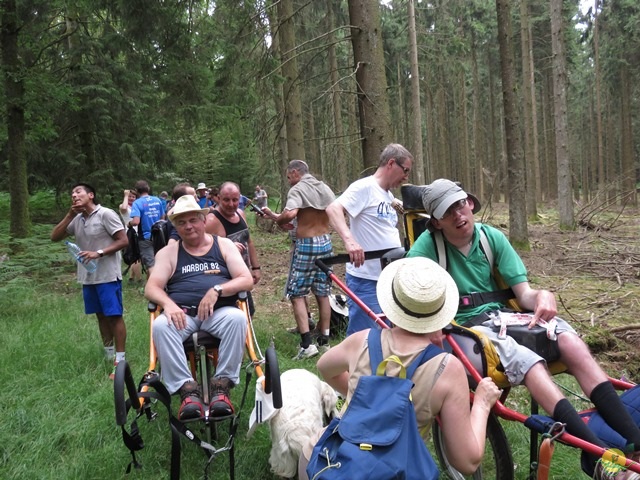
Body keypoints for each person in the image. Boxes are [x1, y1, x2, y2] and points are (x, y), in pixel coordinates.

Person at [407, 178, 640, 476]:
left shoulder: (492, 239)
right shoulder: (426, 249)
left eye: (461, 204)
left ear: (470, 203)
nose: (458, 215)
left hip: (506, 316)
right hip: (464, 327)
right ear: (436, 223)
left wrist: (542, 296)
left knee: (569, 341)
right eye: (447, 211)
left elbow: (525, 295)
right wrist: (429, 321)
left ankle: (635, 442)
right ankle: (601, 462)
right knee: (529, 363)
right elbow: (410, 290)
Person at [298, 257, 502, 478]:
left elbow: (324, 367)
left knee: (314, 446)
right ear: (441, 312)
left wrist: (367, 400)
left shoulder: (361, 340)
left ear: (393, 303)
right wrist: (482, 403)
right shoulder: (447, 368)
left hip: (326, 463)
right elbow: (466, 461)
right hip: (393, 471)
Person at [145, 195, 253, 420]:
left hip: (219, 312)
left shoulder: (223, 245)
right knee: (162, 326)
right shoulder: (169, 252)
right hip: (183, 313)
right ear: (176, 227)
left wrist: (217, 290)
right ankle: (187, 391)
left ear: (204, 221)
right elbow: (152, 287)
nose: (188, 226)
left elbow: (245, 279)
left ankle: (221, 386)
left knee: (237, 318)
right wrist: (168, 303)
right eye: (181, 222)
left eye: (193, 220)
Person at [326, 143, 412, 335]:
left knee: (387, 335)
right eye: (405, 170)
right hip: (367, 280)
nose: (406, 177)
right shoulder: (364, 187)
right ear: (391, 163)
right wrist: (349, 241)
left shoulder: (388, 195)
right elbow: (333, 209)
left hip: (389, 279)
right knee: (362, 339)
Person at [51, 183, 129, 379]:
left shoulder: (106, 214)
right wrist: (69, 215)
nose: (74, 196)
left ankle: (120, 360)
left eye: (78, 192)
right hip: (88, 276)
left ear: (91, 195)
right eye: (72, 194)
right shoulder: (76, 219)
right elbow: (54, 237)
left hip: (108, 275)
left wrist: (99, 253)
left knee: (114, 315)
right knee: (100, 316)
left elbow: (123, 240)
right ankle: (108, 355)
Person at [263, 160, 335, 359]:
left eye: (288, 177)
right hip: (326, 241)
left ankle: (306, 345)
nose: (289, 181)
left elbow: (291, 213)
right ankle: (324, 341)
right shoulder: (324, 188)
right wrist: (277, 216)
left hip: (306, 244)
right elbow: (334, 211)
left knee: (297, 293)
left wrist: (280, 220)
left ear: (295, 173)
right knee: (323, 292)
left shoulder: (298, 189)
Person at [207, 182, 261, 314]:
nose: (231, 204)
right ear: (218, 198)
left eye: (235, 200)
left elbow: (249, 242)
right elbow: (202, 252)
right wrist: (226, 247)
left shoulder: (241, 214)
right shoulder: (212, 221)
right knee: (234, 314)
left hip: (242, 275)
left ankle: (244, 335)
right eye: (226, 200)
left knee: (248, 311)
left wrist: (255, 268)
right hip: (223, 279)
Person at [129, 180, 164, 275]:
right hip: (159, 236)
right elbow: (162, 219)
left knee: (151, 265)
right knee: (160, 262)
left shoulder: (137, 203)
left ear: (136, 191)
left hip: (145, 237)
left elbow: (136, 222)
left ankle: (157, 286)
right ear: (148, 189)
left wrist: (129, 223)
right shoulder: (157, 200)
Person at [118, 189, 142, 284]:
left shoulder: (135, 207)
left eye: (133, 197)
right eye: (130, 196)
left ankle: (131, 278)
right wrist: (126, 195)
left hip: (138, 232)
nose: (131, 198)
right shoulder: (124, 206)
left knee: (135, 254)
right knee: (136, 256)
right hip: (130, 232)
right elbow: (123, 209)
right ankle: (140, 279)